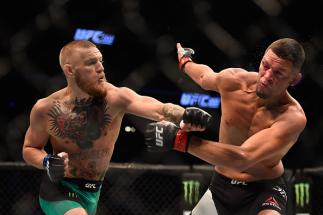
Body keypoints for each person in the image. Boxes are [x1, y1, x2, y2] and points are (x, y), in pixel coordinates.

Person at [22, 40, 212, 215]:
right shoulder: (45, 108)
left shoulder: (114, 98)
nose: (100, 68)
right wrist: (47, 161)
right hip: (59, 189)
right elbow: (29, 148)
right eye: (91, 63)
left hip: (94, 191)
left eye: (100, 60)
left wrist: (185, 114)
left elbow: (158, 109)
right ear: (70, 71)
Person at [145, 38, 307, 215]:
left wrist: (179, 139)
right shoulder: (234, 81)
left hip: (263, 191)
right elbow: (203, 77)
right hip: (221, 186)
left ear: (294, 79)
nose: (267, 77)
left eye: (278, 73)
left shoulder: (292, 117)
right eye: (265, 66)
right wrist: (185, 62)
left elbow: (244, 157)